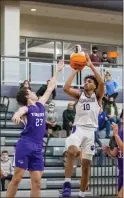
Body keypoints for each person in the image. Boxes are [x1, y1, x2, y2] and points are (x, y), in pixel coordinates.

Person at [5, 60, 64, 198]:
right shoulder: (26, 108)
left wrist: (57, 70)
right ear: (27, 96)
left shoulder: (40, 104)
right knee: (17, 178)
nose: (33, 92)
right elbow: (18, 113)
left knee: (37, 182)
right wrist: (16, 116)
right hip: (25, 145)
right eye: (30, 91)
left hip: (37, 147)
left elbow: (50, 87)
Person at [62, 53, 104, 197]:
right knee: (72, 151)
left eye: (89, 81)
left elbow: (102, 83)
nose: (86, 83)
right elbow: (66, 88)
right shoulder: (79, 95)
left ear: (94, 86)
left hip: (91, 132)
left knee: (86, 166)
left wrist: (90, 65)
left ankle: (81, 194)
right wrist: (75, 69)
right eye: (85, 81)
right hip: (78, 128)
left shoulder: (97, 96)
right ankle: (67, 184)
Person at [103, 110, 123, 198]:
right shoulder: (118, 133)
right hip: (121, 172)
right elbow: (114, 154)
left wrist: (116, 135)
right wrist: (107, 150)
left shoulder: (117, 135)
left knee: (121, 195)